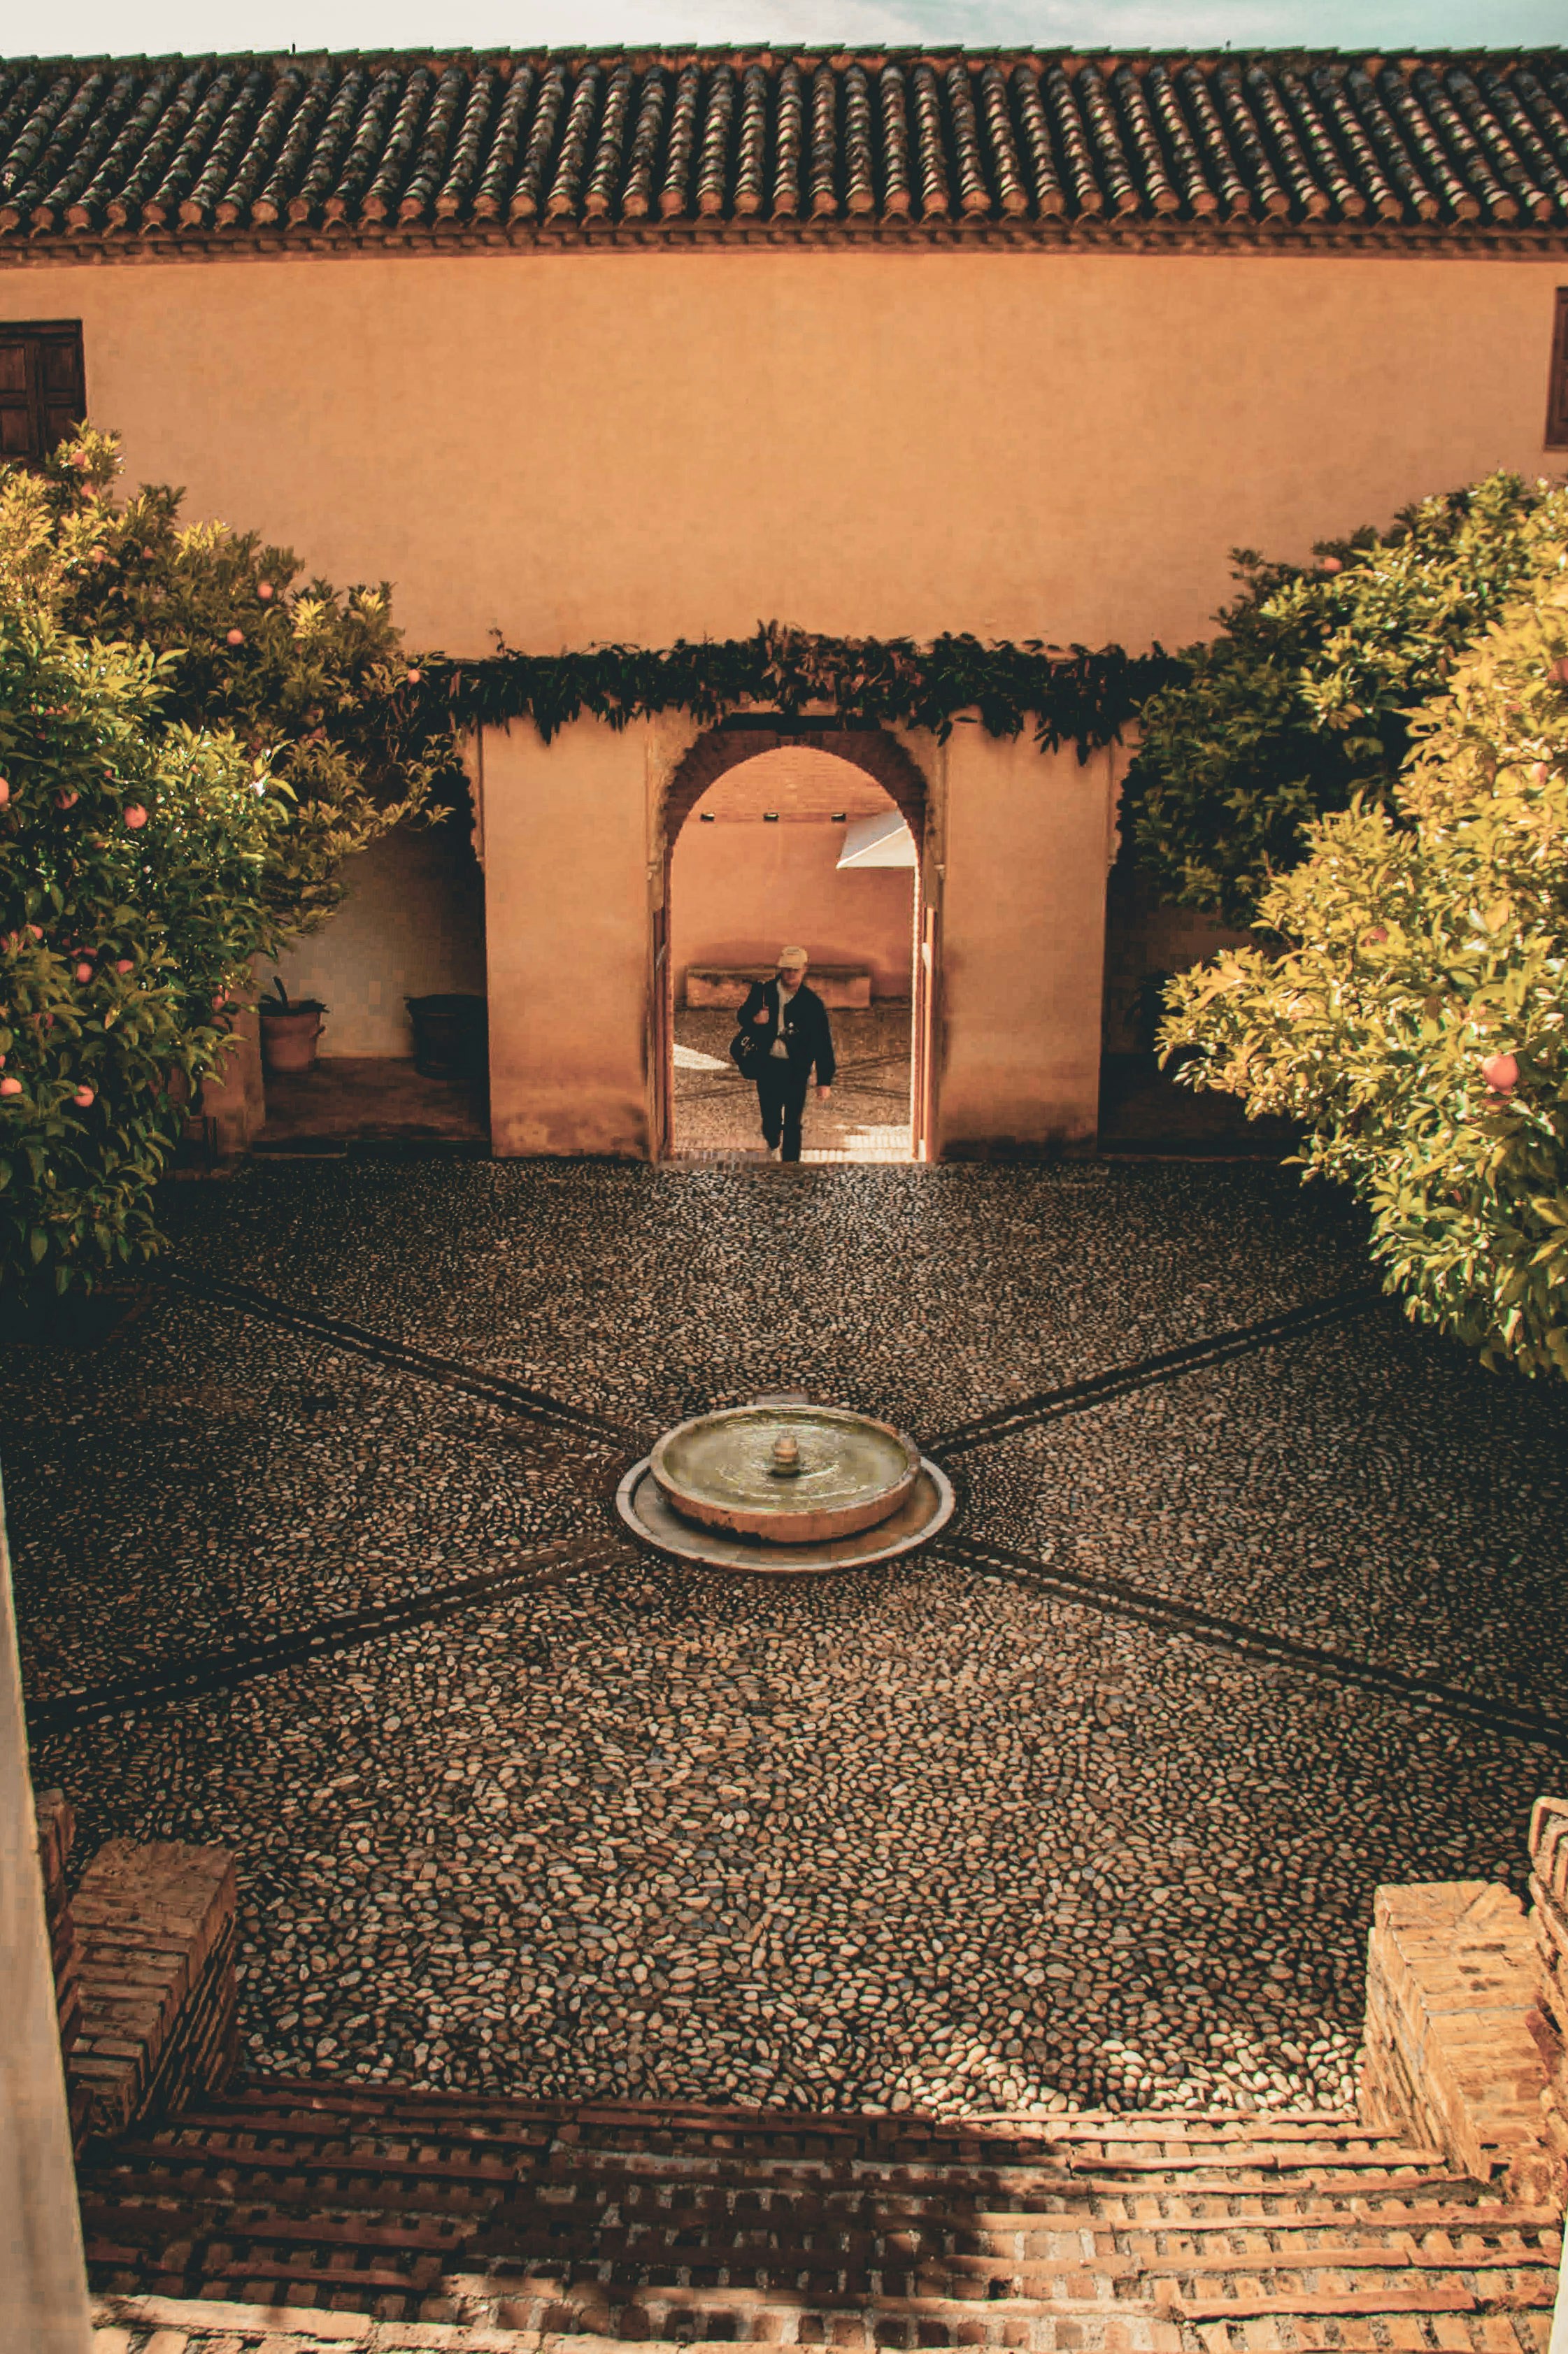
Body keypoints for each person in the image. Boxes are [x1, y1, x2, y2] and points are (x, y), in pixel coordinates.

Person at [733, 946, 836, 1162]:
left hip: (796, 1069)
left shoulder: (812, 1004)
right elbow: (742, 1016)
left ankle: (791, 1167)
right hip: (768, 1065)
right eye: (787, 969)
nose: (791, 974)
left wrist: (824, 1081)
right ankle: (773, 1142)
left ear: (805, 970)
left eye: (795, 970)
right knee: (770, 1118)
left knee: (793, 1122)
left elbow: (823, 1043)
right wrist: (754, 1020)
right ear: (780, 969)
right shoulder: (764, 992)